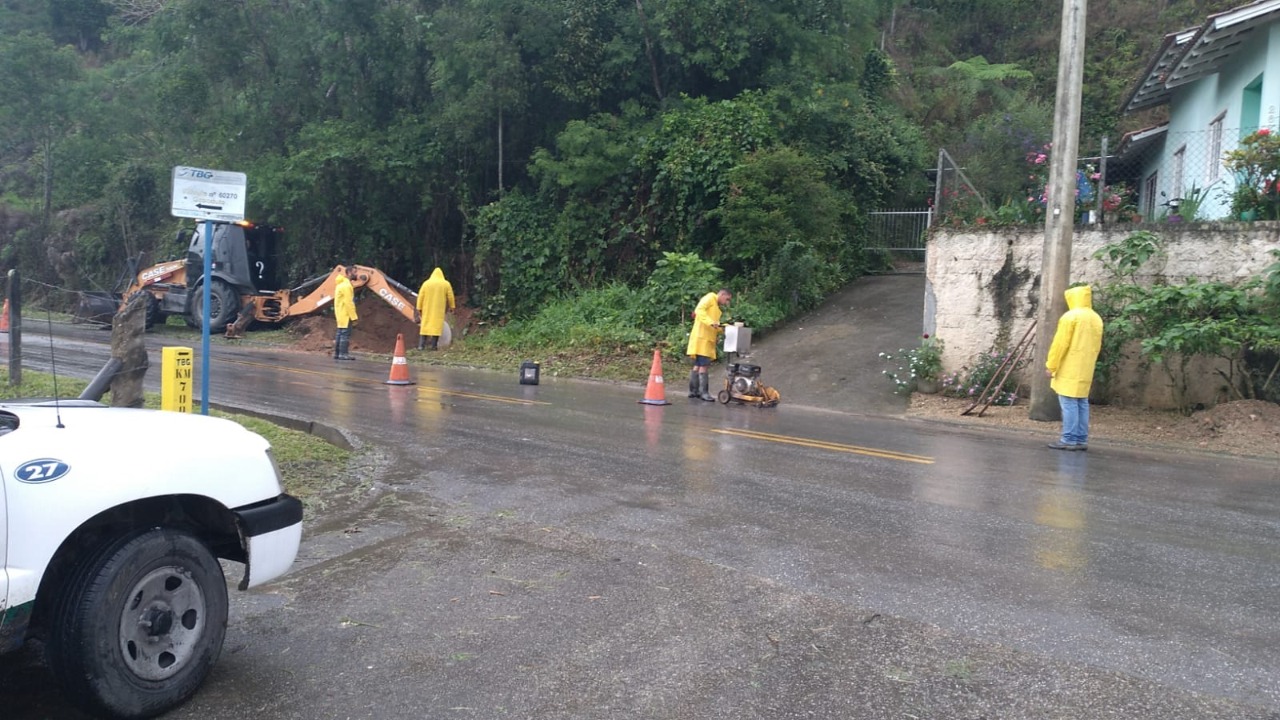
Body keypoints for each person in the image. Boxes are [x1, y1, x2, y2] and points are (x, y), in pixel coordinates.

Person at [1044, 284, 1103, 450]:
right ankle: (1081, 439)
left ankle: (1068, 439)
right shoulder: (1095, 318)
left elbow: (1060, 344)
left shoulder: (1071, 317)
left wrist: (1051, 365)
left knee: (1068, 402)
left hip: (1069, 366)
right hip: (1086, 366)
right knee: (1081, 402)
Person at [686, 289, 732, 401]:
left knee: (697, 365)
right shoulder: (710, 298)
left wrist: (724, 328)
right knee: (704, 366)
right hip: (703, 339)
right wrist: (711, 322)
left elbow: (715, 324)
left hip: (704, 339)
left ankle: (694, 391)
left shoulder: (715, 308)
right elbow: (699, 310)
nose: (727, 302)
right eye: (727, 299)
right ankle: (704, 393)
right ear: (722, 294)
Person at [416, 267, 455, 350]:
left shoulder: (426, 284)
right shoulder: (445, 284)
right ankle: (434, 346)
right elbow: (450, 296)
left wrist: (419, 308)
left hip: (427, 310)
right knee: (436, 328)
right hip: (438, 310)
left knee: (425, 327)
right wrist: (452, 307)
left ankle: (421, 346)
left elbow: (420, 296)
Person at [333, 265, 359, 361]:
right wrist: (354, 317)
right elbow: (349, 303)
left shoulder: (340, 284)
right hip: (345, 313)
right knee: (345, 334)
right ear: (348, 273)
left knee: (340, 333)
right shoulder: (347, 286)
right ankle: (343, 354)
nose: (356, 274)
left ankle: (337, 353)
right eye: (355, 272)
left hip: (340, 313)